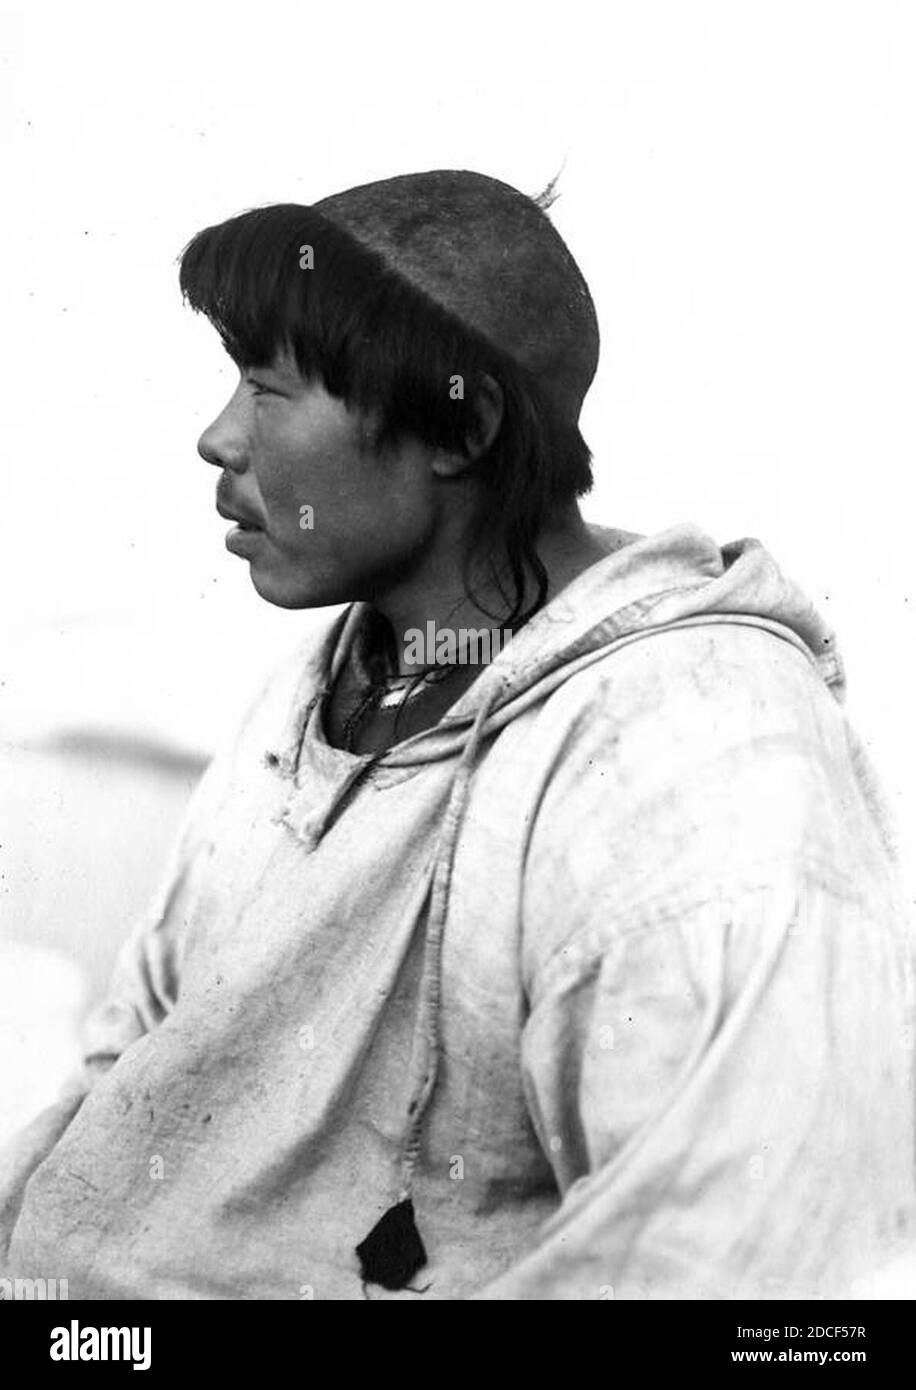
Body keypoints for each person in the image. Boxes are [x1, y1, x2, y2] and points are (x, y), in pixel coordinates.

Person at [1, 170, 914, 1300]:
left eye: (269, 387)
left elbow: (736, 1270)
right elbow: (135, 1065)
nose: (217, 436)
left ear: (461, 423)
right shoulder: (331, 680)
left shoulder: (698, 755)